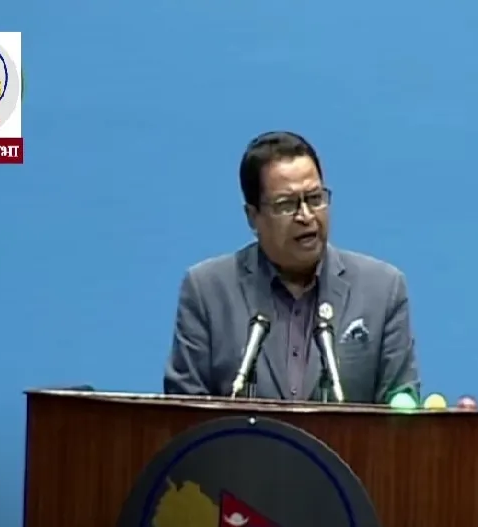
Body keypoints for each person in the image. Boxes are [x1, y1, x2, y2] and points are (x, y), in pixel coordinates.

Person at [163, 131, 420, 404]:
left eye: (315, 198)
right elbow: (184, 411)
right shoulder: (207, 292)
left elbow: (399, 405)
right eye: (286, 205)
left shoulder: (382, 290)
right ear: (253, 217)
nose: (306, 216)